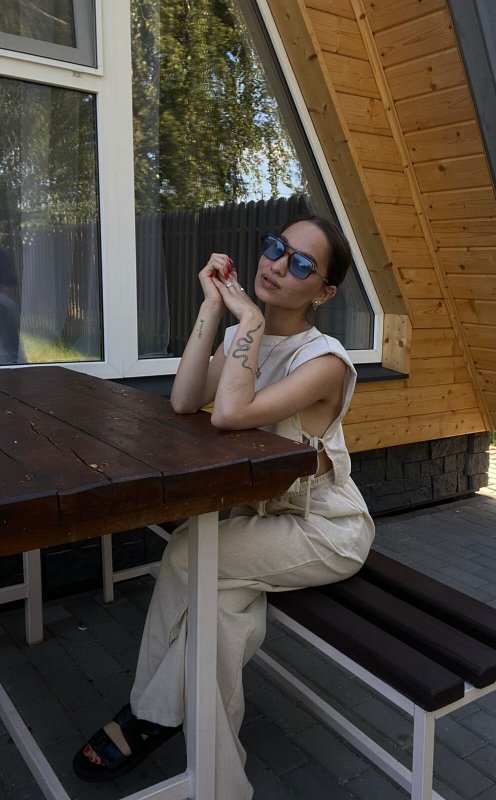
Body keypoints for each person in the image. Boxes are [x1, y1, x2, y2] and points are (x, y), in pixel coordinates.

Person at [73, 215, 375, 798]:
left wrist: (251, 321)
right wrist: (214, 308)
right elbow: (186, 400)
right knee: (219, 621)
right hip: (260, 521)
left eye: (301, 264)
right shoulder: (246, 333)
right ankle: (222, 784)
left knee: (187, 551)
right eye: (276, 248)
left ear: (325, 292)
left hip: (324, 528)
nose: (277, 264)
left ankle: (150, 714)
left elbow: (230, 414)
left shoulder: (326, 362)